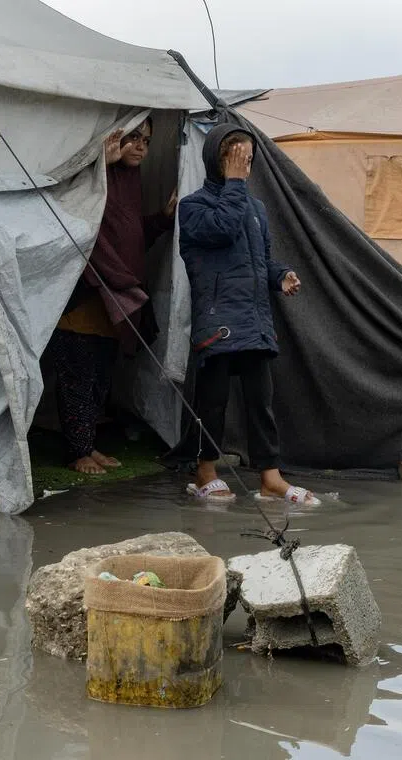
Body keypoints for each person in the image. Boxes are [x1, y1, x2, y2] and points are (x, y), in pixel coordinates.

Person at [177, 123, 319, 506]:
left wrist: (280, 276)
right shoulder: (193, 206)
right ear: (214, 158)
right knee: (214, 401)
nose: (243, 166)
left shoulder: (256, 208)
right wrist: (235, 183)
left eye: (248, 160)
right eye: (234, 157)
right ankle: (205, 471)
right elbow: (221, 231)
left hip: (254, 319)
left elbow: (261, 259)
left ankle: (270, 478)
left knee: (261, 400)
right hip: (218, 318)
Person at [48, 118, 177, 475]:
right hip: (87, 291)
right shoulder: (95, 177)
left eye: (146, 141)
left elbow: (130, 235)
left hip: (118, 295)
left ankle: (88, 445)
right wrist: (98, 167)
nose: (140, 147)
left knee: (100, 377)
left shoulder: (131, 181)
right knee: (77, 374)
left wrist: (163, 220)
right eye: (133, 137)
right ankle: (77, 452)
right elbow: (65, 204)